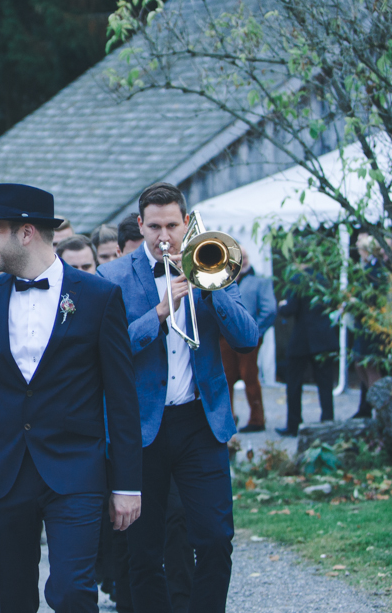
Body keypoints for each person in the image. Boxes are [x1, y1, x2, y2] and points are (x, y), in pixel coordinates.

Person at [0, 183, 141, 613]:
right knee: (12, 598)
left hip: (75, 470)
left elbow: (121, 397)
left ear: (26, 233)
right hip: (2, 472)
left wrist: (127, 483)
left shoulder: (98, 298)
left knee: (73, 592)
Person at [97, 182, 258, 613]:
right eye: (154, 226)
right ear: (140, 225)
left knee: (215, 538)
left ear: (186, 223)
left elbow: (247, 337)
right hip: (142, 427)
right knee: (144, 550)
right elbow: (105, 352)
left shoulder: (212, 261)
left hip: (199, 423)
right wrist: (159, 313)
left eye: (172, 224)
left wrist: (214, 288)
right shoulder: (112, 277)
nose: (163, 235)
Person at [220, 247, 277, 433]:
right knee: (225, 379)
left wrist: (255, 332)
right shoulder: (223, 279)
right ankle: (228, 418)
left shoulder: (260, 280)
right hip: (224, 338)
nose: (241, 261)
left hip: (247, 340)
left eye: (244, 257)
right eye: (238, 258)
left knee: (249, 377)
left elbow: (270, 310)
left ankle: (257, 419)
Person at [276, 268, 339, 436]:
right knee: (325, 383)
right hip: (324, 336)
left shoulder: (297, 279)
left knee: (294, 383)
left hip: (302, 339)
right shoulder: (325, 278)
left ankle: (294, 424)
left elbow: (291, 309)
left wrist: (282, 306)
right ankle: (327, 422)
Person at [351, 233, 387, 418]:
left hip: (371, 326)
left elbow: (376, 298)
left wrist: (356, 301)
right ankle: (371, 406)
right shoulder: (368, 268)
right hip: (364, 325)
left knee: (369, 365)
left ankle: (382, 411)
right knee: (360, 364)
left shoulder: (376, 271)